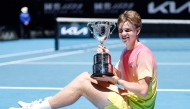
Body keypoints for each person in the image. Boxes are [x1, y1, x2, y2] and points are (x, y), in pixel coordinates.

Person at [10, 10, 158, 109]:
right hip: (128, 99)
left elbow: (143, 90)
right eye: (120, 30)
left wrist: (117, 81)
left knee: (82, 84)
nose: (123, 34)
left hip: (134, 106)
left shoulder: (142, 54)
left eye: (128, 30)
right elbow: (114, 77)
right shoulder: (127, 51)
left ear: (137, 31)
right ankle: (46, 104)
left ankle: (41, 107)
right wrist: (106, 60)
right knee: (85, 77)